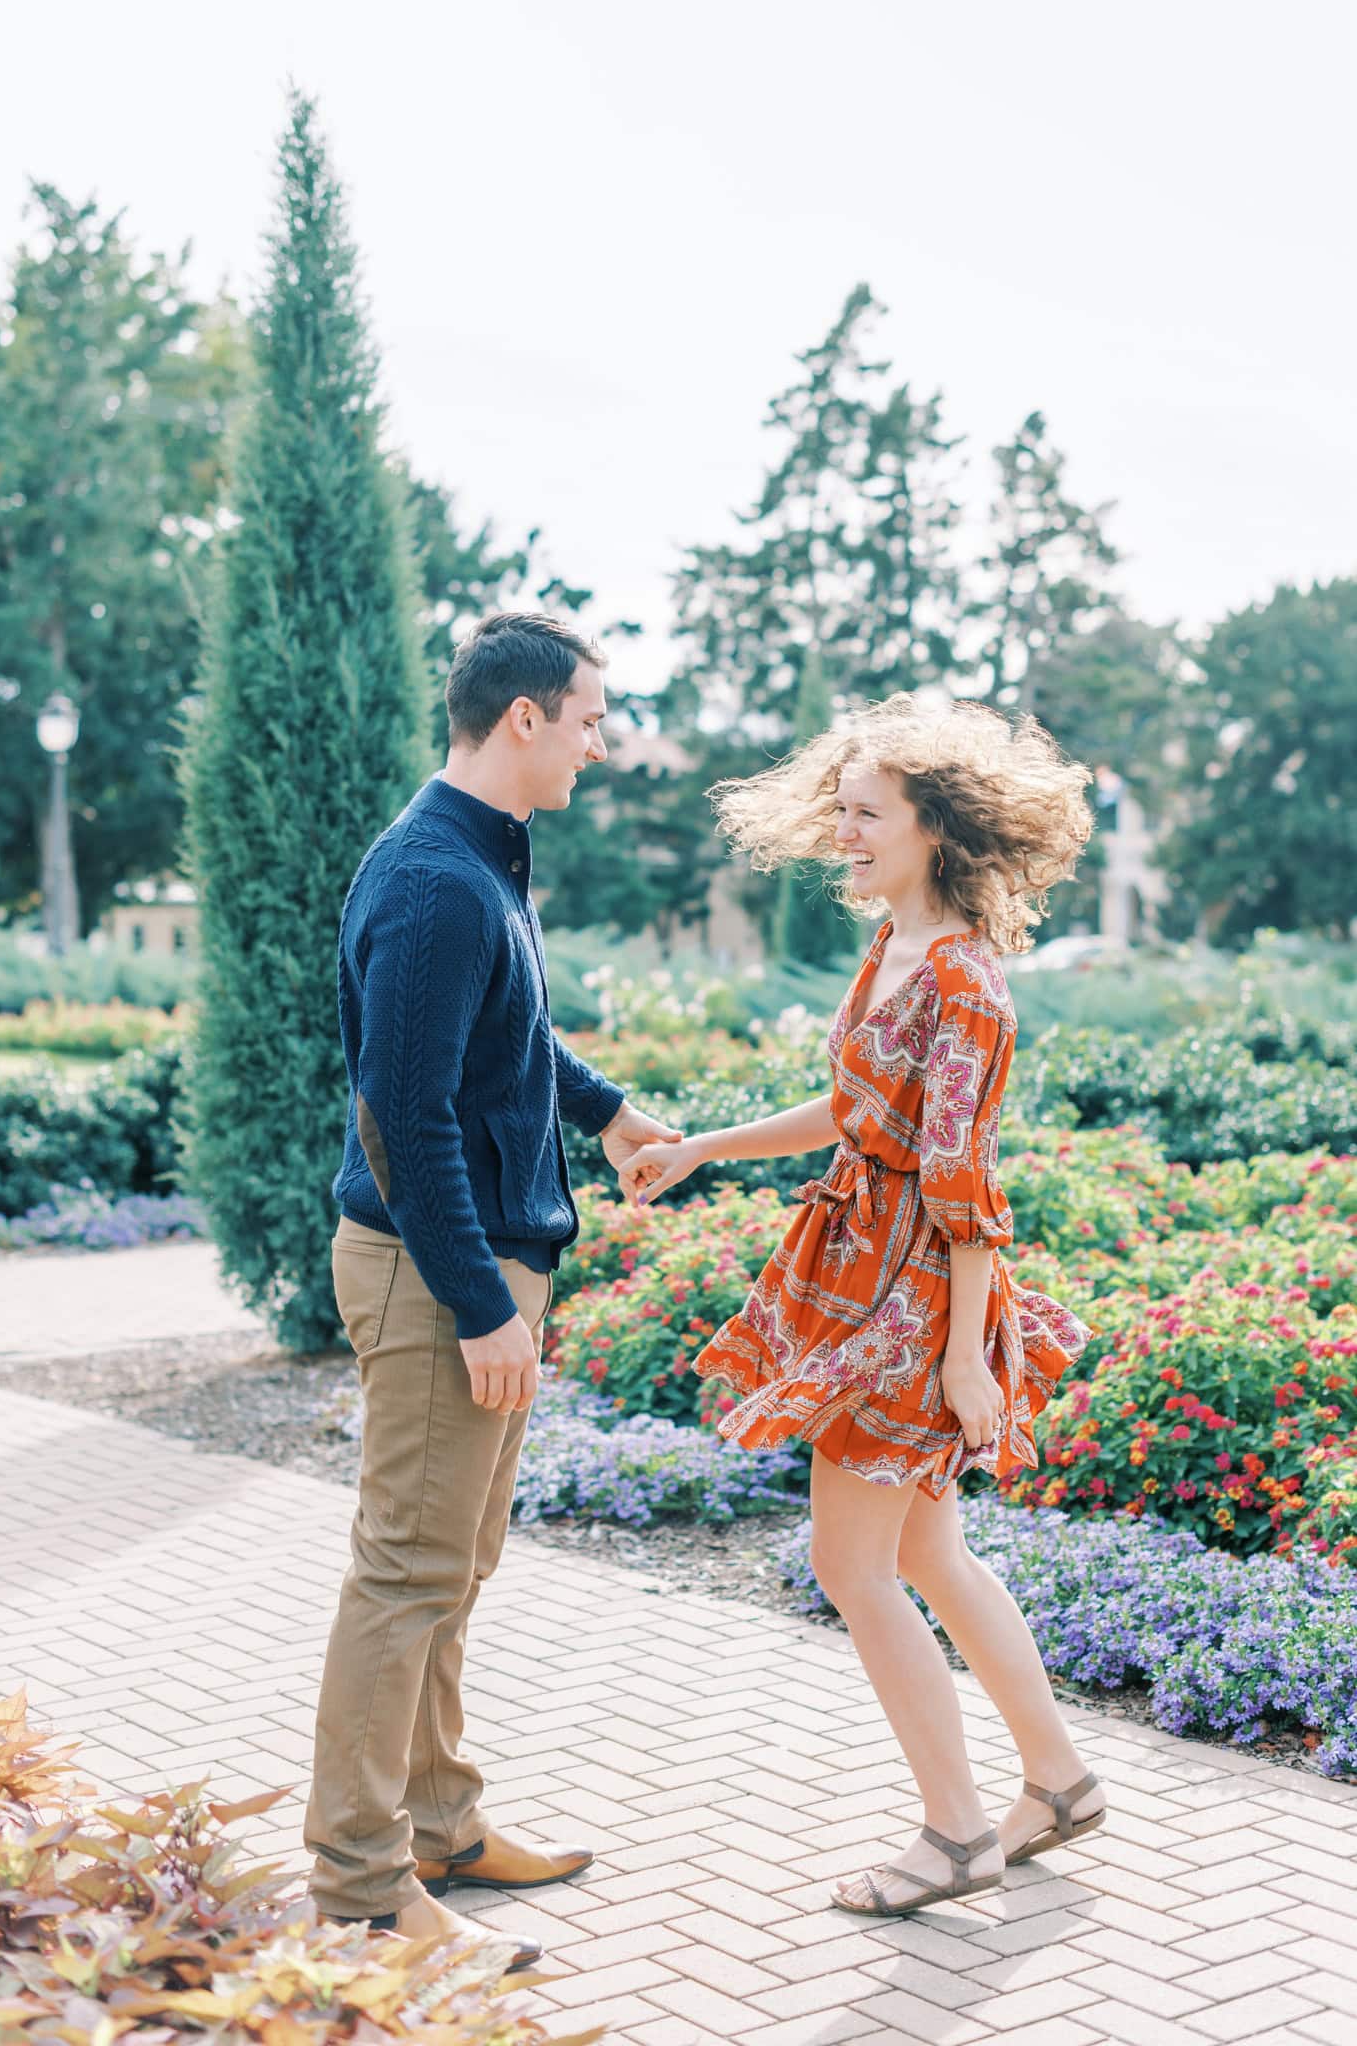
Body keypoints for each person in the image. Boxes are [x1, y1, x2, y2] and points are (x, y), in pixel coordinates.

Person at [623, 693, 1105, 1920]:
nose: (843, 832)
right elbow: (853, 1112)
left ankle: (954, 1833)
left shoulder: (962, 979)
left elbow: (960, 1180)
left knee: (849, 1562)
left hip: (909, 1299)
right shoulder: (891, 948)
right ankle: (1056, 1782)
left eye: (866, 814)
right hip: (861, 1274)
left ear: (933, 827)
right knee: (926, 1552)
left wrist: (962, 1358)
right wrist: (703, 1146)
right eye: (838, 810)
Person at [306, 611, 681, 1964]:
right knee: (405, 1572)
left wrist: (611, 1112)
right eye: (588, 719)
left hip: (470, 1267)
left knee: (450, 1569)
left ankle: (440, 1828)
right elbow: (401, 1119)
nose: (598, 744)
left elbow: (506, 1037)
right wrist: (479, 1307)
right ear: (522, 716)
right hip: (435, 1273)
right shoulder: (434, 880)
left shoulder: (480, 862)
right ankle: (361, 1885)